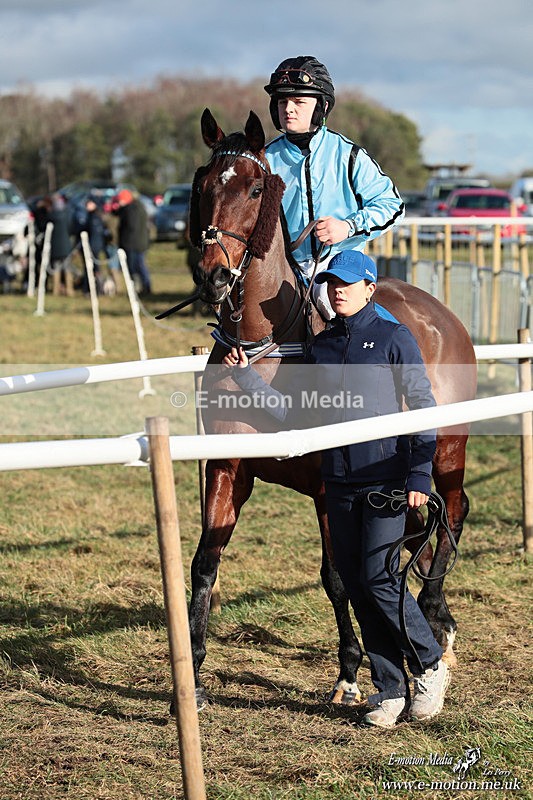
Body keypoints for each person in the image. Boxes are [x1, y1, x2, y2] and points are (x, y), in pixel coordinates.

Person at [222, 250, 450, 729]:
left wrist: (417, 476)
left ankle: (429, 666)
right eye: (331, 283)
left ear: (370, 288)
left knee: (380, 580)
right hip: (339, 483)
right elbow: (289, 413)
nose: (337, 290)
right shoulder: (321, 349)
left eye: (347, 283)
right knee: (358, 586)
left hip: (387, 481)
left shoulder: (394, 338)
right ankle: (389, 689)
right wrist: (245, 375)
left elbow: (424, 406)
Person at [264, 56, 404, 321]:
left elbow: (393, 206)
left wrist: (347, 227)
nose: (288, 109)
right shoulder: (265, 159)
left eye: (299, 102)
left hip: (339, 263)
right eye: (283, 102)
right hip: (279, 267)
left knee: (330, 306)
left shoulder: (348, 155)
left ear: (321, 106)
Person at [115, 189, 152, 295]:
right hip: (139, 242)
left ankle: (141, 287)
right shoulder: (138, 207)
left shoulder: (131, 210)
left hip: (132, 244)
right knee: (140, 266)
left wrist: (123, 242)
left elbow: (131, 227)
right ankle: (144, 287)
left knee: (135, 267)